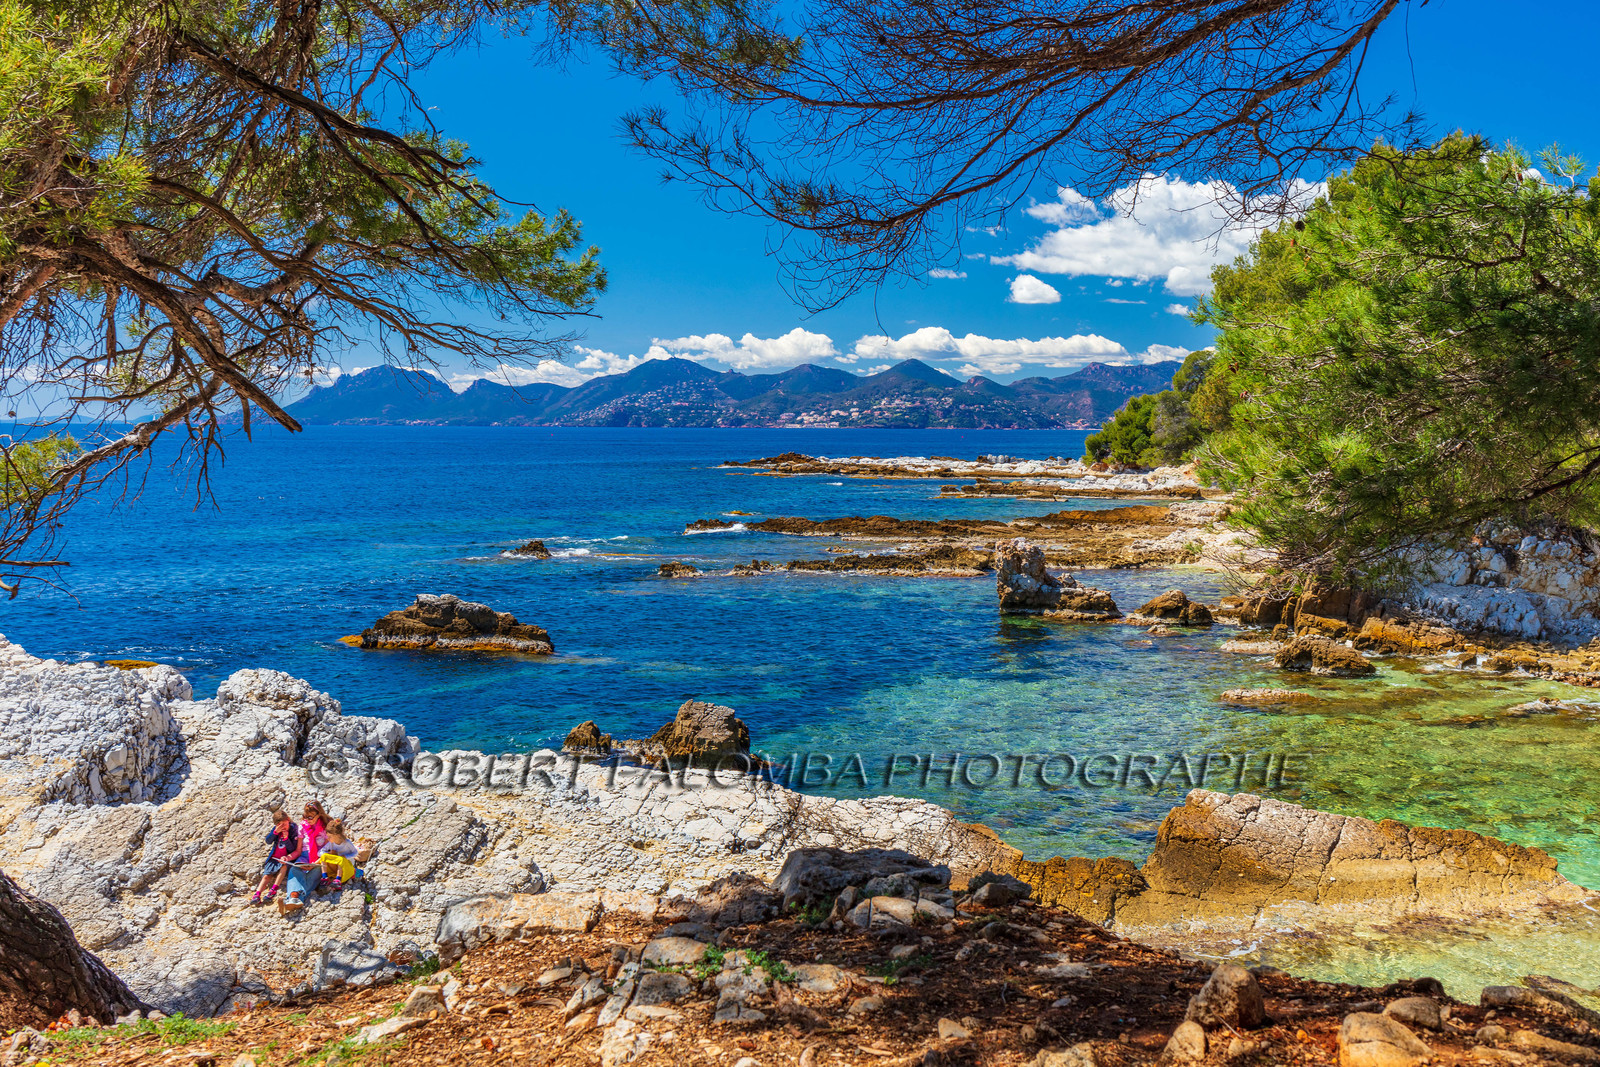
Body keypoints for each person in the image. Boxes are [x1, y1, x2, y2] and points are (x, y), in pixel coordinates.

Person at [279, 800, 330, 915]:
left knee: (317, 872)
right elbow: (298, 850)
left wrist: (315, 863)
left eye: (311, 817)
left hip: (319, 858)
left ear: (319, 815)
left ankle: (294, 898)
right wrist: (287, 858)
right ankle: (295, 899)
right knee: (294, 869)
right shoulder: (302, 826)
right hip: (304, 856)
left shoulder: (326, 827)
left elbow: (329, 849)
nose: (308, 819)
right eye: (306, 817)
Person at [252, 809, 299, 906]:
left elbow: (292, 849)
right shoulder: (276, 829)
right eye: (279, 825)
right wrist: (275, 832)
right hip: (275, 857)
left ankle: (273, 890)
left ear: (288, 820)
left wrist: (286, 839)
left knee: (284, 867)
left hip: (285, 858)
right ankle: (257, 894)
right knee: (266, 875)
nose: (283, 827)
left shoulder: (293, 830)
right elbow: (268, 841)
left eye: (284, 824)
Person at [319, 818, 359, 891]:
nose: (328, 838)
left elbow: (355, 853)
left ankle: (338, 880)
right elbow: (320, 852)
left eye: (330, 836)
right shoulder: (331, 844)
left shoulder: (346, 843)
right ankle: (324, 877)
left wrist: (346, 857)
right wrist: (329, 854)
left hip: (347, 867)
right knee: (324, 856)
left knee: (340, 859)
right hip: (336, 867)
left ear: (336, 835)